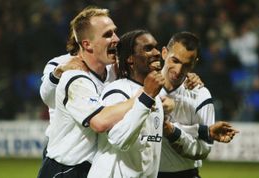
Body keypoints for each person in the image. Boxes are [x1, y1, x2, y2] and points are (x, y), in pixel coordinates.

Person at [37, 6, 140, 178]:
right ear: (85, 42)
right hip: (67, 161)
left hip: (95, 165)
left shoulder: (113, 69)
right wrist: (58, 73)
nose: (116, 39)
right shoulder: (63, 66)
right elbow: (46, 96)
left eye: (115, 32)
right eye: (107, 34)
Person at [158, 31, 238, 178]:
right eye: (174, 61)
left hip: (185, 174)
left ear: (194, 63)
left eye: (186, 65)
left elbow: (203, 150)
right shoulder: (143, 87)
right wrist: (199, 130)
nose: (179, 70)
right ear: (164, 53)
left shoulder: (201, 95)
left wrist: (173, 133)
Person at [87, 29, 165, 178]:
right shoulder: (117, 90)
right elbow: (119, 139)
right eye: (148, 48)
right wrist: (146, 98)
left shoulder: (153, 93)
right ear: (130, 59)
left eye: (155, 47)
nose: (156, 52)